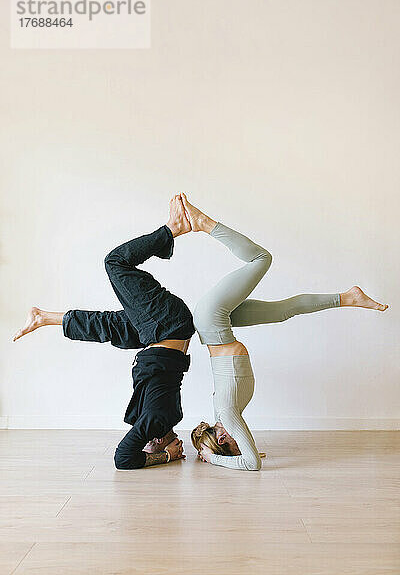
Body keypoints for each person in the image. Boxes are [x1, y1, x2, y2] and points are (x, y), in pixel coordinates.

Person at [182, 193, 389, 471]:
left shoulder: (227, 416)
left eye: (233, 445)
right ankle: (348, 297)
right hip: (217, 324)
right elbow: (248, 452)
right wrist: (233, 450)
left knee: (261, 259)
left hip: (212, 319)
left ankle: (202, 222)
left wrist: (213, 458)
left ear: (222, 437)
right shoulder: (227, 416)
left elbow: (251, 464)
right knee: (283, 311)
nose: (240, 443)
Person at [13, 195, 195, 469]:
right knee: (116, 263)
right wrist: (168, 456)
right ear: (157, 441)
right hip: (167, 324)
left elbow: (137, 446)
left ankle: (43, 317)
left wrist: (165, 452)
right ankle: (173, 228)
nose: (142, 444)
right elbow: (124, 459)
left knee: (107, 326)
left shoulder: (155, 417)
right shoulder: (156, 419)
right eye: (147, 444)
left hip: (154, 335)